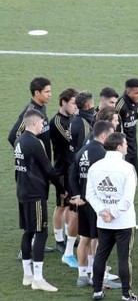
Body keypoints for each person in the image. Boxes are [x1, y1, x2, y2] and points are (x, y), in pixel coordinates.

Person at [86, 132, 138, 301]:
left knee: (101, 255)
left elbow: (90, 194)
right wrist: (113, 213)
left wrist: (102, 211)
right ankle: (126, 294)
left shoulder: (95, 167)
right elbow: (127, 199)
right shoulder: (127, 168)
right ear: (119, 147)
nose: (127, 146)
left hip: (103, 221)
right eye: (125, 144)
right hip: (123, 221)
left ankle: (97, 291)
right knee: (124, 257)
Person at [14, 109, 66, 292]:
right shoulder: (34, 143)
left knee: (28, 231)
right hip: (35, 194)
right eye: (42, 123)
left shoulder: (19, 140)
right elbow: (48, 169)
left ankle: (27, 275)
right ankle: (38, 279)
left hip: (22, 192)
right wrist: (61, 189)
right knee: (41, 232)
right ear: (35, 123)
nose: (44, 125)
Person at [68, 120, 115, 287]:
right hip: (96, 202)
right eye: (111, 134)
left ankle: (82, 276)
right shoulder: (101, 153)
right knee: (98, 240)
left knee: (84, 239)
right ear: (103, 135)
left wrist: (77, 195)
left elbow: (72, 174)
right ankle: (98, 276)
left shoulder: (83, 150)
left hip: (83, 202)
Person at [50, 88, 79, 264]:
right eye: (73, 103)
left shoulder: (72, 119)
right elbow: (72, 141)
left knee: (70, 205)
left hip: (72, 169)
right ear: (63, 102)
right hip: (62, 169)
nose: (75, 106)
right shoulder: (58, 122)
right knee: (61, 205)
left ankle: (68, 236)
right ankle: (59, 240)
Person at [8, 77, 53, 161]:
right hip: (36, 166)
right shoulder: (30, 112)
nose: (50, 94)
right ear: (37, 92)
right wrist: (28, 156)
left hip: (45, 162)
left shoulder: (42, 107)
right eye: (46, 92)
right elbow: (14, 136)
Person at [115, 78, 138, 174]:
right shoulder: (119, 106)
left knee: (135, 176)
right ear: (127, 92)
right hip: (122, 148)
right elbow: (115, 130)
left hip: (133, 147)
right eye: (137, 93)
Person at [69, 90, 95, 155]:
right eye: (93, 103)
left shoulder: (75, 118)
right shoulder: (83, 124)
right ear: (89, 105)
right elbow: (84, 148)